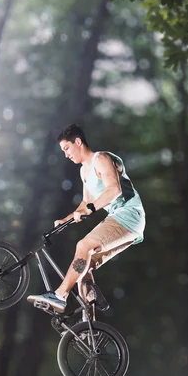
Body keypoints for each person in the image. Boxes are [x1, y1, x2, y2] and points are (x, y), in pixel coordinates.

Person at [27, 123, 145, 313]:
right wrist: (65, 220)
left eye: (67, 148)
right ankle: (88, 332)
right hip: (122, 221)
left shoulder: (102, 159)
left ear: (78, 142)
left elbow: (114, 189)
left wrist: (90, 209)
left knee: (83, 246)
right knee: (83, 270)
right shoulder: (84, 171)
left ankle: (59, 295)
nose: (66, 154)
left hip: (129, 216)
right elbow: (85, 202)